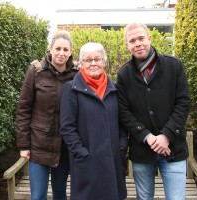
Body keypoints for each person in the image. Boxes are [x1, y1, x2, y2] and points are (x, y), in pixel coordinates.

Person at [116, 22, 191, 200]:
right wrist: (148, 137)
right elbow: (124, 112)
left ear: (149, 38)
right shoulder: (124, 74)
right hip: (142, 151)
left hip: (174, 149)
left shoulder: (174, 66)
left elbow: (183, 103)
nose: (138, 43)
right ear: (127, 45)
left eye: (141, 38)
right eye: (132, 41)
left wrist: (166, 135)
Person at [59, 42, 128, 200]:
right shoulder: (71, 89)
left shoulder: (115, 89)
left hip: (113, 161)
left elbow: (122, 122)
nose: (93, 63)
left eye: (97, 59)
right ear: (81, 64)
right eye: (88, 60)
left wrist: (122, 146)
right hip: (87, 162)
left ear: (104, 61)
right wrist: (81, 153)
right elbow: (67, 127)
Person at [15, 30, 78, 200]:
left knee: (60, 193)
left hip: (64, 147)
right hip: (38, 145)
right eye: (57, 48)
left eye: (65, 49)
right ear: (50, 49)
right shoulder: (36, 71)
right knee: (38, 196)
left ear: (71, 51)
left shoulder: (77, 74)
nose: (61, 53)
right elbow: (24, 109)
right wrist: (23, 145)